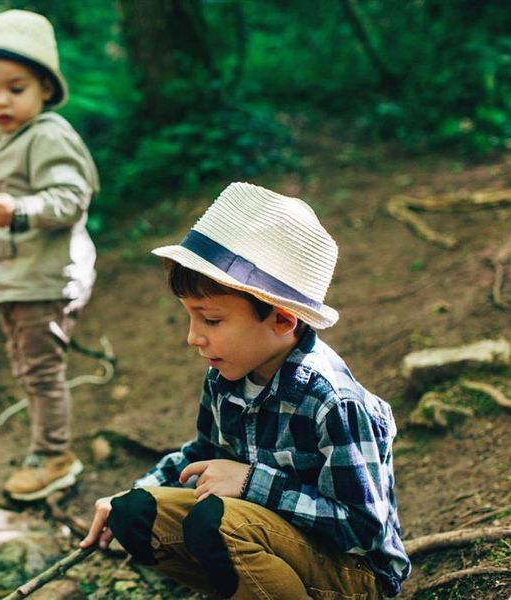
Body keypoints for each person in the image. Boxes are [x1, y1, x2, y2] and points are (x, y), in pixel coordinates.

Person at [80, 183, 411, 598]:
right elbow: (202, 455)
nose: (193, 338)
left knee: (219, 522)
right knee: (137, 513)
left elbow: (362, 527)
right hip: (261, 541)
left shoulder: (333, 403)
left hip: (353, 575)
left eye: (211, 321)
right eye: (190, 318)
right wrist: (135, 490)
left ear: (282, 320)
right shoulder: (225, 380)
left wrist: (254, 482)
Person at [0, 10, 99, 501]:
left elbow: (70, 196)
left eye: (14, 88)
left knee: (41, 371)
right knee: (28, 368)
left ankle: (55, 456)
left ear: (44, 88)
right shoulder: (8, 141)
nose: (0, 100)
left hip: (43, 277)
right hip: (17, 278)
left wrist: (21, 209)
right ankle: (45, 447)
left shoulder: (47, 134)